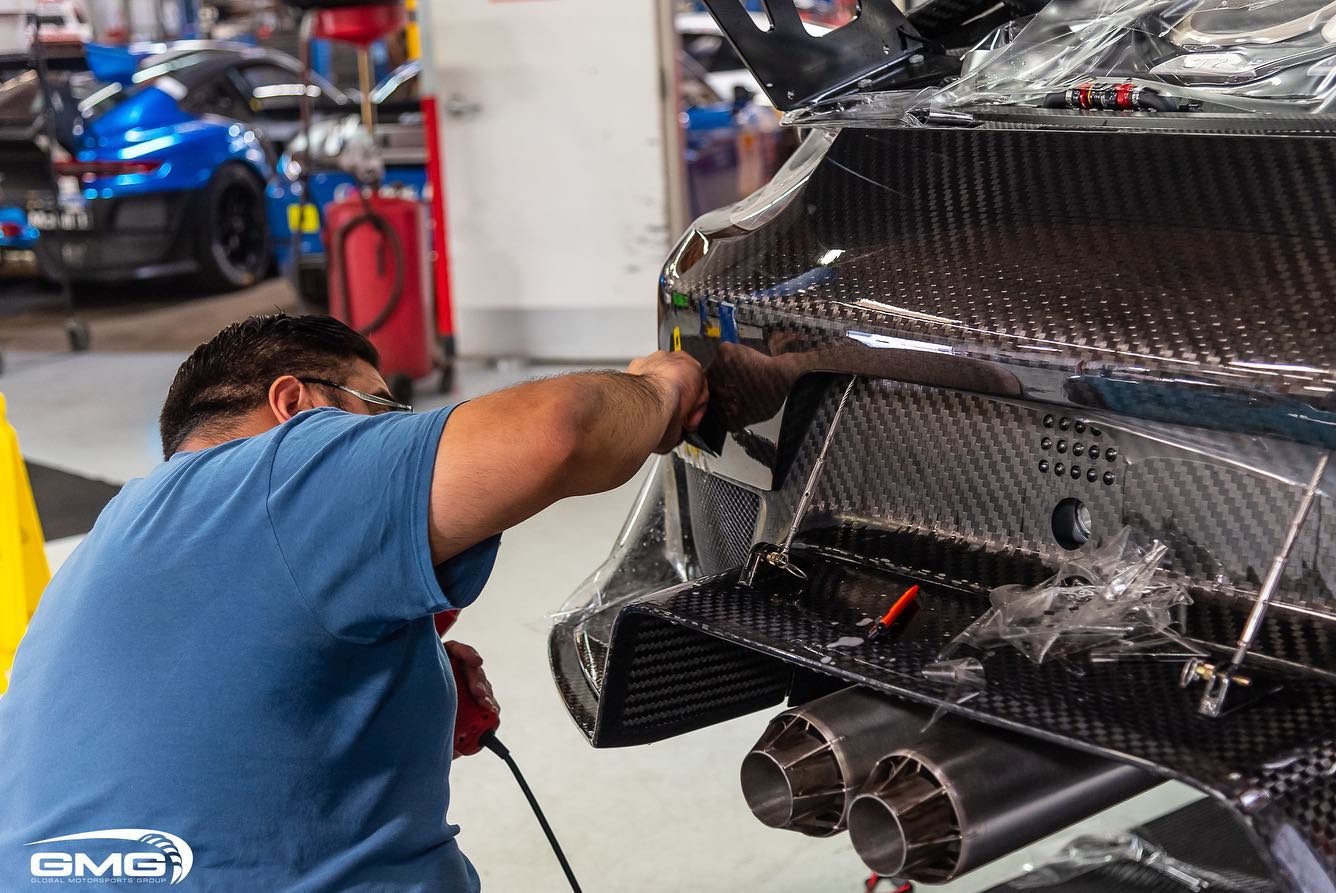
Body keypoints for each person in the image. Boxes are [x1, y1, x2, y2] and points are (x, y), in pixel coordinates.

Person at [0, 313, 708, 891]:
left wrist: (392, 704)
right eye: (381, 411)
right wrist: (660, 386)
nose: (388, 433)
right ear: (295, 404)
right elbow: (564, 430)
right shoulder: (276, 473)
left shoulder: (120, 540)